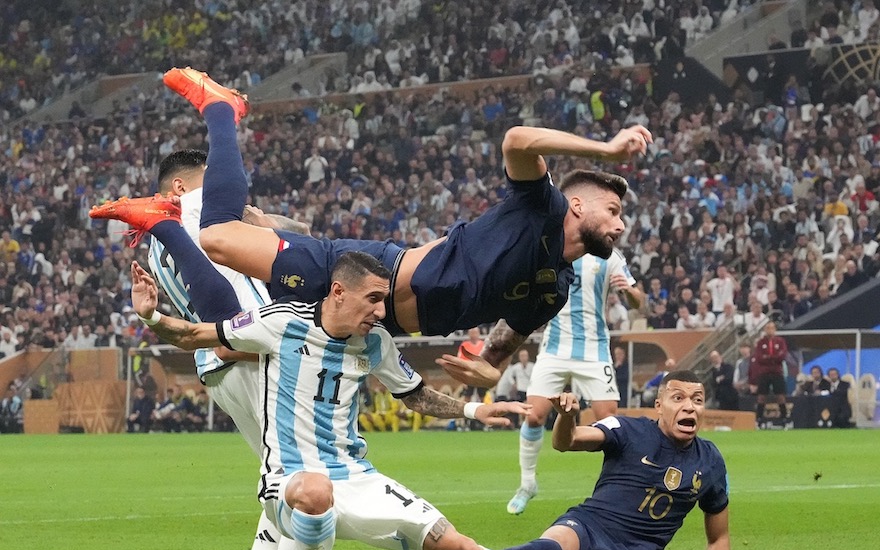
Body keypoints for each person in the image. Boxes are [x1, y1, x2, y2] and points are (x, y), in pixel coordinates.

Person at [129, 251, 628, 550]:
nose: (380, 311)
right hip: (289, 481)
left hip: (359, 477)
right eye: (372, 300)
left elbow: (413, 394)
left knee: (464, 549)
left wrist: (475, 412)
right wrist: (152, 315)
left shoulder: (375, 344)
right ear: (338, 292)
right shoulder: (279, 323)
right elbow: (195, 334)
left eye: (383, 302)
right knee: (316, 489)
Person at [110, 68, 651, 388]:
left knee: (231, 342)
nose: (621, 226)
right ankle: (220, 114)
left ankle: (165, 223)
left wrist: (488, 371)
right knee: (216, 237)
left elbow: (501, 347)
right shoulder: (540, 204)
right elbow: (516, 139)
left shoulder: (556, 287)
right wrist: (605, 148)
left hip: (369, 318)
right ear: (577, 206)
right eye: (613, 210)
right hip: (368, 273)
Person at [93, 149, 311, 550]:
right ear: (181, 190)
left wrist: (260, 220)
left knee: (282, 478)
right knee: (311, 478)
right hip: (251, 355)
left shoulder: (158, 244)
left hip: (216, 364)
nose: (228, 189)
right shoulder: (202, 217)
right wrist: (264, 222)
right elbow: (304, 238)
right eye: (213, 180)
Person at [394, 371, 731, 550]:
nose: (689, 407)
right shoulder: (628, 430)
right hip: (587, 528)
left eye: (697, 400)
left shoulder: (710, 461)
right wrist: (567, 417)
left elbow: (719, 537)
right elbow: (565, 442)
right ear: (659, 405)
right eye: (678, 398)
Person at [507, 249, 642, 514]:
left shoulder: (609, 256)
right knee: (533, 416)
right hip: (555, 348)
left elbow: (638, 302)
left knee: (609, 421)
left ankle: (616, 490)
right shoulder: (556, 248)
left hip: (594, 350)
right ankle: (527, 484)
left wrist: (628, 290)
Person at [750, 321, 789, 425]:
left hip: (777, 372)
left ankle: (784, 419)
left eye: (772, 328)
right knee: (761, 396)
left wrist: (769, 357)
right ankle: (759, 420)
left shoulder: (780, 341)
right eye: (767, 328)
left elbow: (782, 356)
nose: (769, 330)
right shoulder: (761, 343)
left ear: (775, 329)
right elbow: (759, 358)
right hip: (764, 373)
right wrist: (773, 358)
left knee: (780, 396)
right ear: (764, 330)